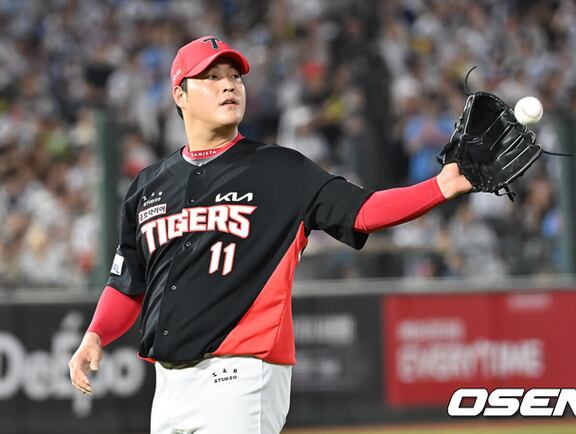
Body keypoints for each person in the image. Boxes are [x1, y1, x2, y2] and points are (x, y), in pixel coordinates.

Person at [68, 36, 471, 434]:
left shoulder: (281, 170)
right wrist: (95, 335)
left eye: (234, 77)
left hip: (240, 375)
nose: (229, 85)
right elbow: (127, 283)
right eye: (211, 77)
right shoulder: (148, 186)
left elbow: (363, 211)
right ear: (180, 95)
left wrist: (440, 186)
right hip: (168, 387)